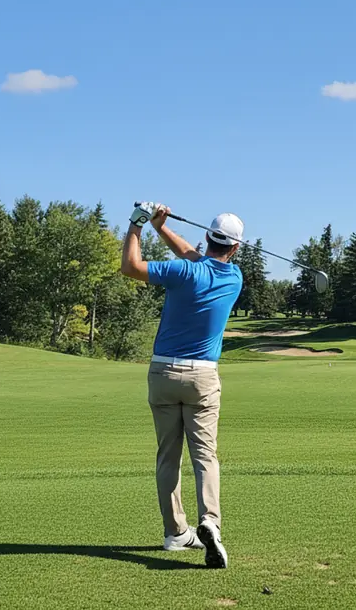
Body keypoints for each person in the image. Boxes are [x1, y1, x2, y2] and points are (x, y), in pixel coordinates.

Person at [119, 201, 244, 569]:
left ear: (207, 237)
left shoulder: (182, 273)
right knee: (205, 455)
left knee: (168, 456)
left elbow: (131, 267)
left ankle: (176, 533)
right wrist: (161, 227)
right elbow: (198, 258)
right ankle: (210, 521)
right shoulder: (234, 278)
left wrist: (138, 225)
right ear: (235, 248)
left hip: (162, 374)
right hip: (203, 377)